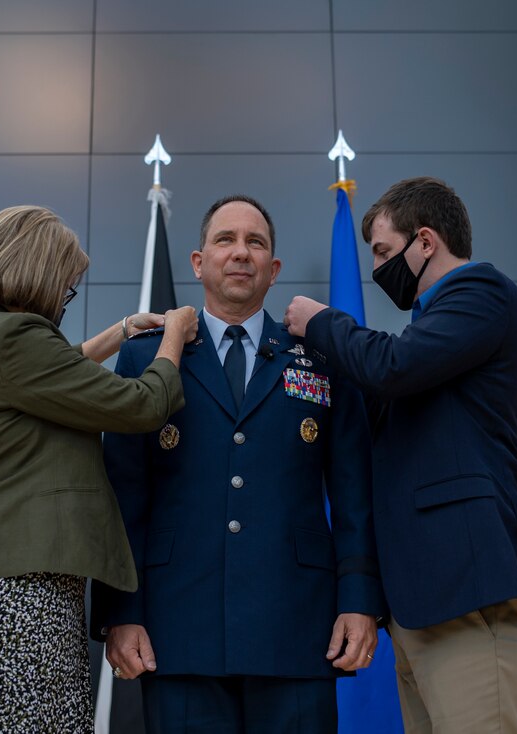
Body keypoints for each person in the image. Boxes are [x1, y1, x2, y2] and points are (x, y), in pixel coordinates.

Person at [92, 195, 386, 734]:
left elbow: (353, 493)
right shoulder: (146, 356)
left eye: (255, 243)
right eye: (225, 240)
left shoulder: (320, 355)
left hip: (298, 629)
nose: (240, 253)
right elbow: (122, 496)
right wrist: (122, 612)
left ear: (273, 270)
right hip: (177, 631)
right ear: (199, 263)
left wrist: (360, 600)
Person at [282, 176, 517, 733]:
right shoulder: (432, 333)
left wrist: (320, 322)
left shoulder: (481, 292)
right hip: (427, 610)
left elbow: (393, 366)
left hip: (475, 599)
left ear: (426, 241)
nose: (379, 268)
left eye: (385, 252)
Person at [0, 205, 198, 732]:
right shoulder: (15, 338)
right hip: (17, 595)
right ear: (39, 273)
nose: (63, 300)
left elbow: (47, 377)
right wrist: (174, 334)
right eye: (66, 288)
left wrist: (119, 332)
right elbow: (140, 405)